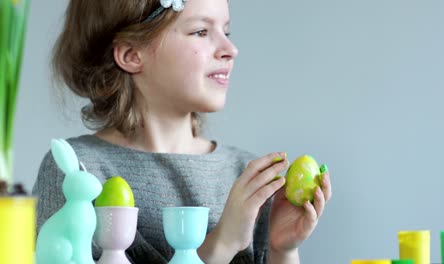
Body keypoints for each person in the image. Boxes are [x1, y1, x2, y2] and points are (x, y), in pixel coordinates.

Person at [32, 0, 333, 263]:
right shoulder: (76, 173)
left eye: (226, 32)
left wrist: (281, 250)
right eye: (201, 31)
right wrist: (221, 245)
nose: (231, 49)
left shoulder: (247, 177)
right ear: (132, 54)